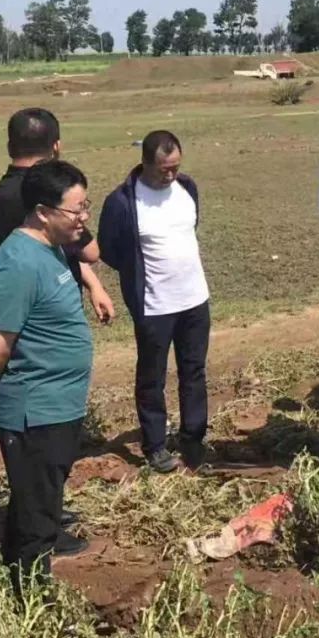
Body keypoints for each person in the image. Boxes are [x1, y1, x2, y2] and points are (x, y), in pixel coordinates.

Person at [0, 160, 94, 598]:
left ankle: (18, 585)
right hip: (34, 411)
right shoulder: (18, 264)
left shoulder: (50, 249)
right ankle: (31, 602)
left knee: (36, 503)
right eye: (77, 209)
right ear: (44, 211)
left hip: (57, 405)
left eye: (86, 205)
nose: (84, 217)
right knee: (38, 516)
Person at [99, 130, 210, 473]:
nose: (170, 174)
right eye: (163, 168)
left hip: (194, 299)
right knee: (152, 377)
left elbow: (190, 229)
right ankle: (156, 445)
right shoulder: (122, 201)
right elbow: (110, 249)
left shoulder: (187, 188)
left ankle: (193, 440)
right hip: (154, 305)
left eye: (175, 166)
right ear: (145, 163)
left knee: (194, 372)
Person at [0, 108, 114, 325]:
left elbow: (56, 247)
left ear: (10, 147)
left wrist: (94, 284)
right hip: (52, 307)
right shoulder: (48, 191)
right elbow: (90, 252)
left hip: (15, 303)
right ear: (56, 147)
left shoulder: (0, 194)